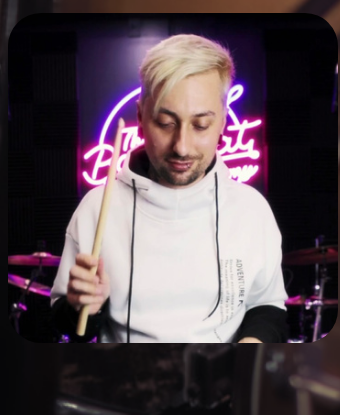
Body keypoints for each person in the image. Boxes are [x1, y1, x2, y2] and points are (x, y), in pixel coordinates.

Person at [50, 34, 287, 342]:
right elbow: (68, 327)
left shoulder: (251, 210)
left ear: (223, 121)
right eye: (165, 122)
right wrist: (84, 308)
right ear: (140, 117)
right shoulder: (97, 208)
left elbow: (268, 306)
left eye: (200, 125)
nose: (182, 147)